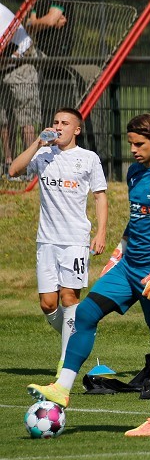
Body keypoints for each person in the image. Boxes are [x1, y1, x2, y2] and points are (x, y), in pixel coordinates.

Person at [27, 114, 150, 437]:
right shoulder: (134, 172)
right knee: (85, 313)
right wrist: (118, 254)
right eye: (130, 143)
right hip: (128, 268)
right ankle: (62, 387)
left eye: (139, 144)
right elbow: (136, 220)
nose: (133, 150)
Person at [8, 108, 107, 374]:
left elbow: (100, 196)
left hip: (75, 240)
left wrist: (100, 232)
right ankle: (79, 335)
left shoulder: (88, 158)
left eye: (65, 123)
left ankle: (66, 363)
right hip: (47, 241)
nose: (59, 127)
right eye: (55, 122)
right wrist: (37, 142)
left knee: (69, 297)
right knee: (48, 304)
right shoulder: (43, 155)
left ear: (77, 130)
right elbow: (14, 170)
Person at [1, 1, 41, 167]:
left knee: (26, 121)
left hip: (20, 68)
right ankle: (9, 165)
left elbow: (20, 43)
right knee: (4, 121)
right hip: (4, 70)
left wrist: (13, 58)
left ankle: (30, 166)